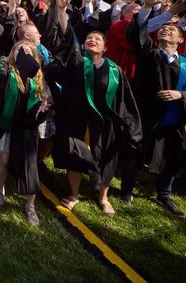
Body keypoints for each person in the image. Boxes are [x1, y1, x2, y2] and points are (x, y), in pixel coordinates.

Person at [123, 10, 186, 217]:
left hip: (172, 119)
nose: (166, 29)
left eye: (172, 29)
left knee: (175, 155)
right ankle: (127, 190)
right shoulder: (149, 53)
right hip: (145, 115)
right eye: (164, 28)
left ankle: (164, 194)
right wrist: (147, 7)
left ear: (181, 39)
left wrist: (180, 95)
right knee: (135, 152)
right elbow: (137, 33)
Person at [46, 30, 142, 217]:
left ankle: (103, 197)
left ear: (105, 48)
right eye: (89, 37)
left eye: (98, 39)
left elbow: (123, 100)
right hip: (77, 120)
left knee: (105, 158)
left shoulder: (115, 71)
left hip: (104, 124)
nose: (92, 40)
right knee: (74, 154)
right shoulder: (76, 63)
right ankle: (74, 194)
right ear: (83, 45)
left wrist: (129, 127)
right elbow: (57, 67)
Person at [0, 41, 51, 226]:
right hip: (8, 123)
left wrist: (44, 105)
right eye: (19, 49)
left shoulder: (38, 76)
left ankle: (30, 206)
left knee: (30, 166)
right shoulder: (6, 70)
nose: (24, 51)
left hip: (27, 127)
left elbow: (46, 97)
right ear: (13, 52)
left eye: (28, 50)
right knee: (3, 160)